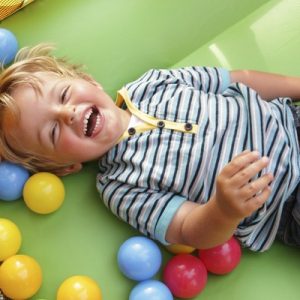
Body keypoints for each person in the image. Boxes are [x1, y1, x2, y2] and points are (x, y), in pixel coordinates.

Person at [1, 44, 300, 252]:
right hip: (286, 201)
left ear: (87, 81)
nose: (67, 114)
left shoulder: (153, 82)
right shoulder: (119, 187)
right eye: (53, 131)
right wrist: (224, 209)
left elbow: (238, 80)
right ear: (66, 167)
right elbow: (189, 230)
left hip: (292, 121)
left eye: (64, 94)